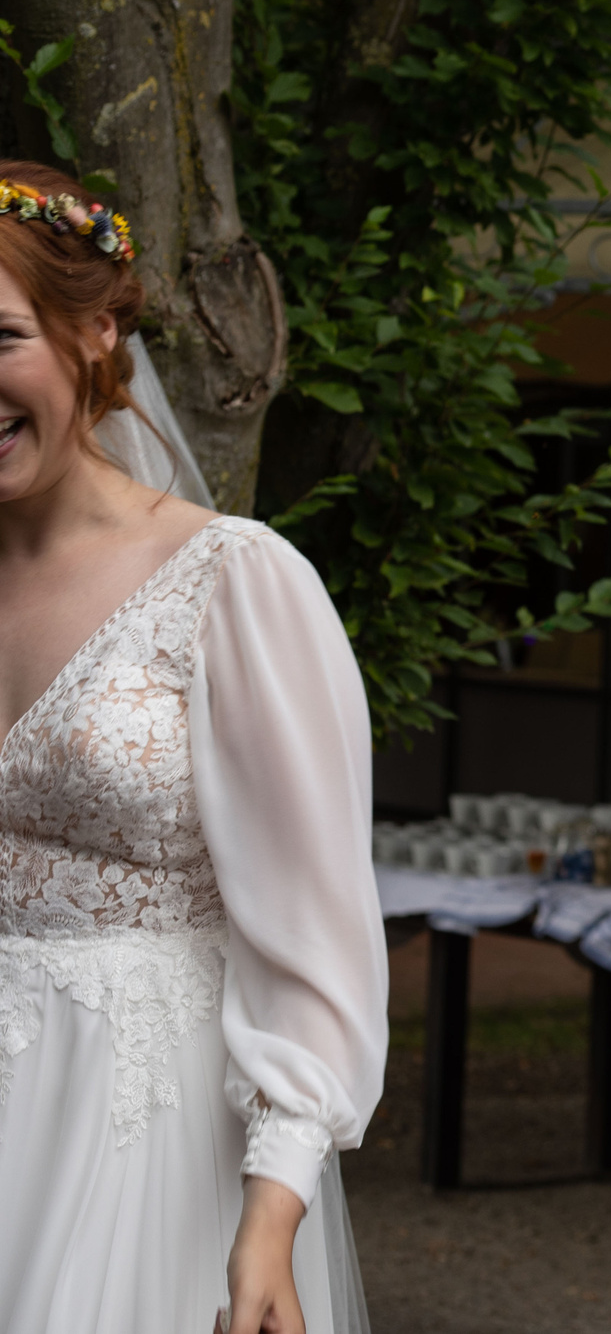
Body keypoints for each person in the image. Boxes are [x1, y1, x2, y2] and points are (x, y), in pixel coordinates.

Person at [0, 164, 387, 1334]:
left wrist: (270, 1218)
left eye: (2, 338)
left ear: (95, 335)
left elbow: (315, 933)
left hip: (143, 1141)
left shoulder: (234, 582)